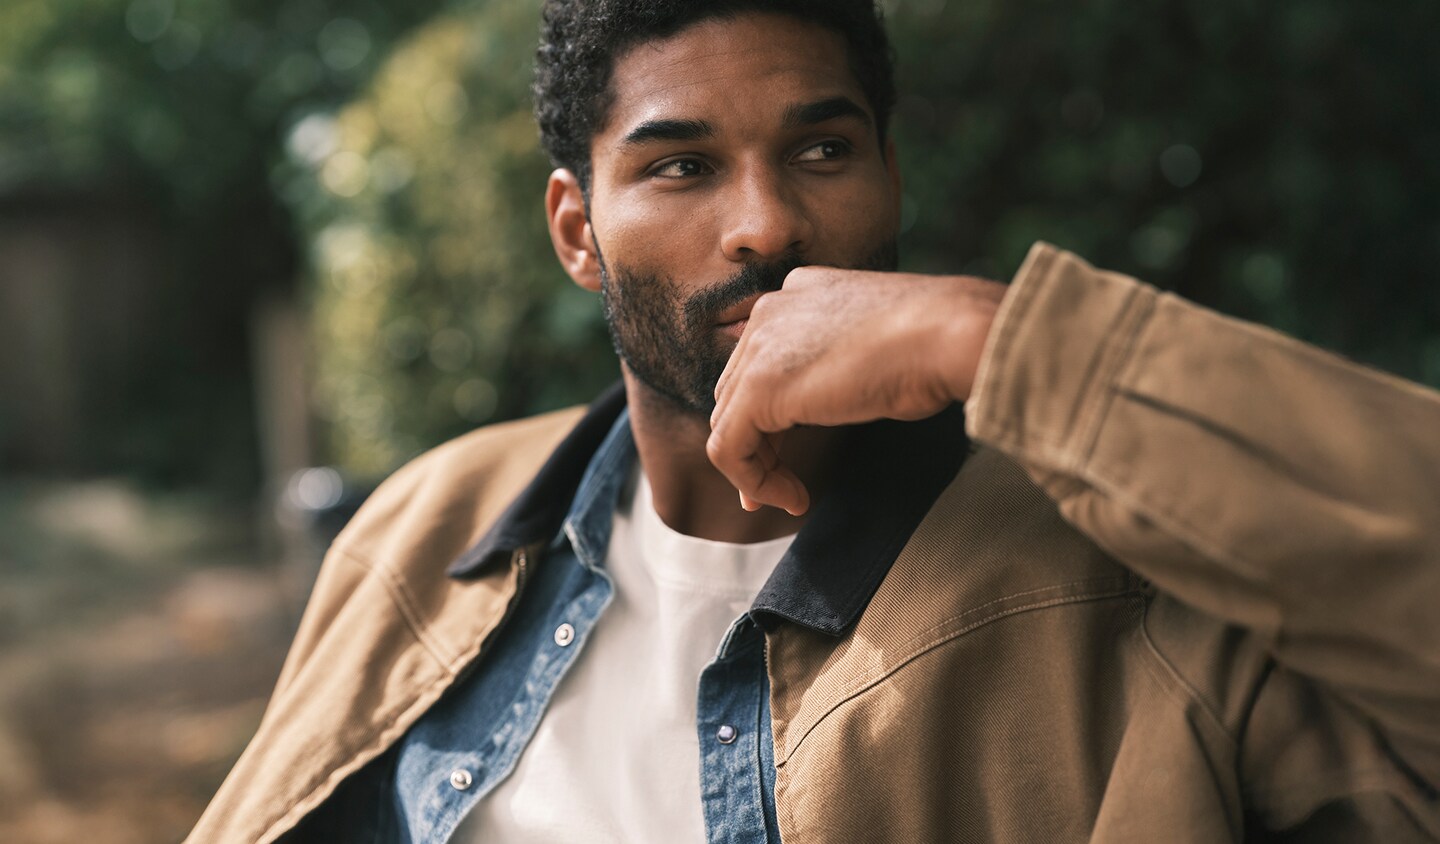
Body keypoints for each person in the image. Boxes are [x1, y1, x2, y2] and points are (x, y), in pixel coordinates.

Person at [191, 1, 1440, 842]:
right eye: (680, 165)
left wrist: (995, 338)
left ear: (891, 174)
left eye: (824, 150)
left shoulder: (1131, 582)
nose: (768, 225)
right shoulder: (433, 522)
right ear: (578, 231)